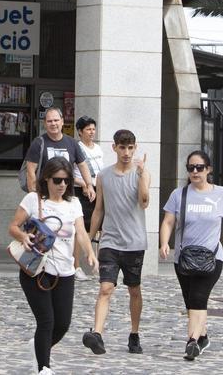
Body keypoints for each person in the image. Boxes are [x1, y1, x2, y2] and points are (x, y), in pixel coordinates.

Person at [159, 150, 223, 361]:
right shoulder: (179, 195)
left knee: (198, 298)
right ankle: (202, 337)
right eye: (190, 168)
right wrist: (164, 243)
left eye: (199, 167)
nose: (195, 171)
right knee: (191, 301)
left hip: (212, 258)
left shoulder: (220, 194)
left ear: (208, 169)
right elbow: (168, 221)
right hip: (184, 259)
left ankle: (191, 341)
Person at [9, 157, 96, 375]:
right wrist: (23, 236)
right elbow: (13, 227)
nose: (62, 185)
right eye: (57, 180)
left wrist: (90, 253)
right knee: (46, 320)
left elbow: (81, 232)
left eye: (66, 180)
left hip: (65, 271)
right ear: (47, 178)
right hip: (37, 270)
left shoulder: (73, 204)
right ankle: (44, 368)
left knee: (63, 324)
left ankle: (38, 347)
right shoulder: (33, 199)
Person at [83, 129, 150, 355]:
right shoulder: (103, 176)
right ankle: (97, 334)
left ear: (135, 148)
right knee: (105, 288)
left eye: (130, 148)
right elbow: (98, 209)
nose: (126, 152)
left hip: (134, 242)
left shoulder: (142, 174)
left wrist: (142, 175)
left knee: (134, 290)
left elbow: (144, 202)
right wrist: (89, 239)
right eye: (122, 147)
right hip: (110, 241)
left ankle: (134, 334)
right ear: (114, 148)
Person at [25, 108, 95, 279]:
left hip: (66, 196)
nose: (53, 124)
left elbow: (82, 164)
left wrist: (89, 185)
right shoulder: (39, 143)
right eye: (49, 121)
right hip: (45, 196)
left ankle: (70, 266)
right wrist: (34, 193)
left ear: (62, 122)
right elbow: (31, 170)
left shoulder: (72, 143)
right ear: (45, 123)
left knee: (70, 231)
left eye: (56, 120)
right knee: (42, 231)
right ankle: (35, 264)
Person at [73, 116, 104, 281]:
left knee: (100, 228)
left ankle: (97, 265)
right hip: (81, 192)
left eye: (93, 129)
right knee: (81, 230)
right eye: (88, 129)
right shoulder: (76, 148)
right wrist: (84, 184)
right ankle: (76, 266)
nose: (92, 132)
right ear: (80, 131)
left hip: (98, 190)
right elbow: (68, 174)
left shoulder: (98, 148)